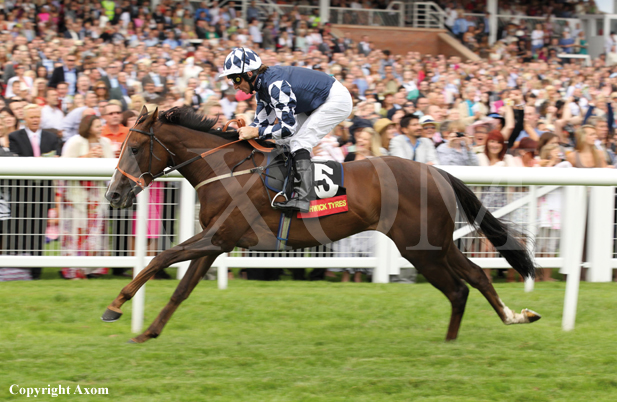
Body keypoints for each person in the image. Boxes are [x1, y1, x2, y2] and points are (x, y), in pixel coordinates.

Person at [222, 47, 353, 212]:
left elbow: (287, 127)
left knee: (299, 141)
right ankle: (290, 188)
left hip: (335, 99)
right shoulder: (261, 89)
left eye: (236, 79)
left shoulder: (275, 85)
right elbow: (259, 125)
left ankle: (304, 198)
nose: (234, 86)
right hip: (314, 102)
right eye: (231, 80)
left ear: (249, 74)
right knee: (284, 141)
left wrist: (255, 132)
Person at [7, 105, 61, 280]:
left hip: (42, 192)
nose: (35, 119)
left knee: (38, 231)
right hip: (22, 193)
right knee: (21, 230)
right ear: (24, 118)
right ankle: (21, 269)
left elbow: (58, 158)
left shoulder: (51, 137)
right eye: (32, 117)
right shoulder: (14, 137)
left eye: (37, 116)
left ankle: (36, 271)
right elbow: (16, 160)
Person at [59, 115, 113, 279]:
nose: (100, 129)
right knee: (76, 230)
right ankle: (74, 270)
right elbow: (64, 165)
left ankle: (93, 269)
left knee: (96, 231)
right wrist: (87, 156)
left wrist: (102, 157)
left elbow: (112, 167)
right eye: (97, 126)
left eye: (100, 125)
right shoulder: (74, 142)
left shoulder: (105, 143)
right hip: (77, 195)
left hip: (97, 195)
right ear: (88, 127)